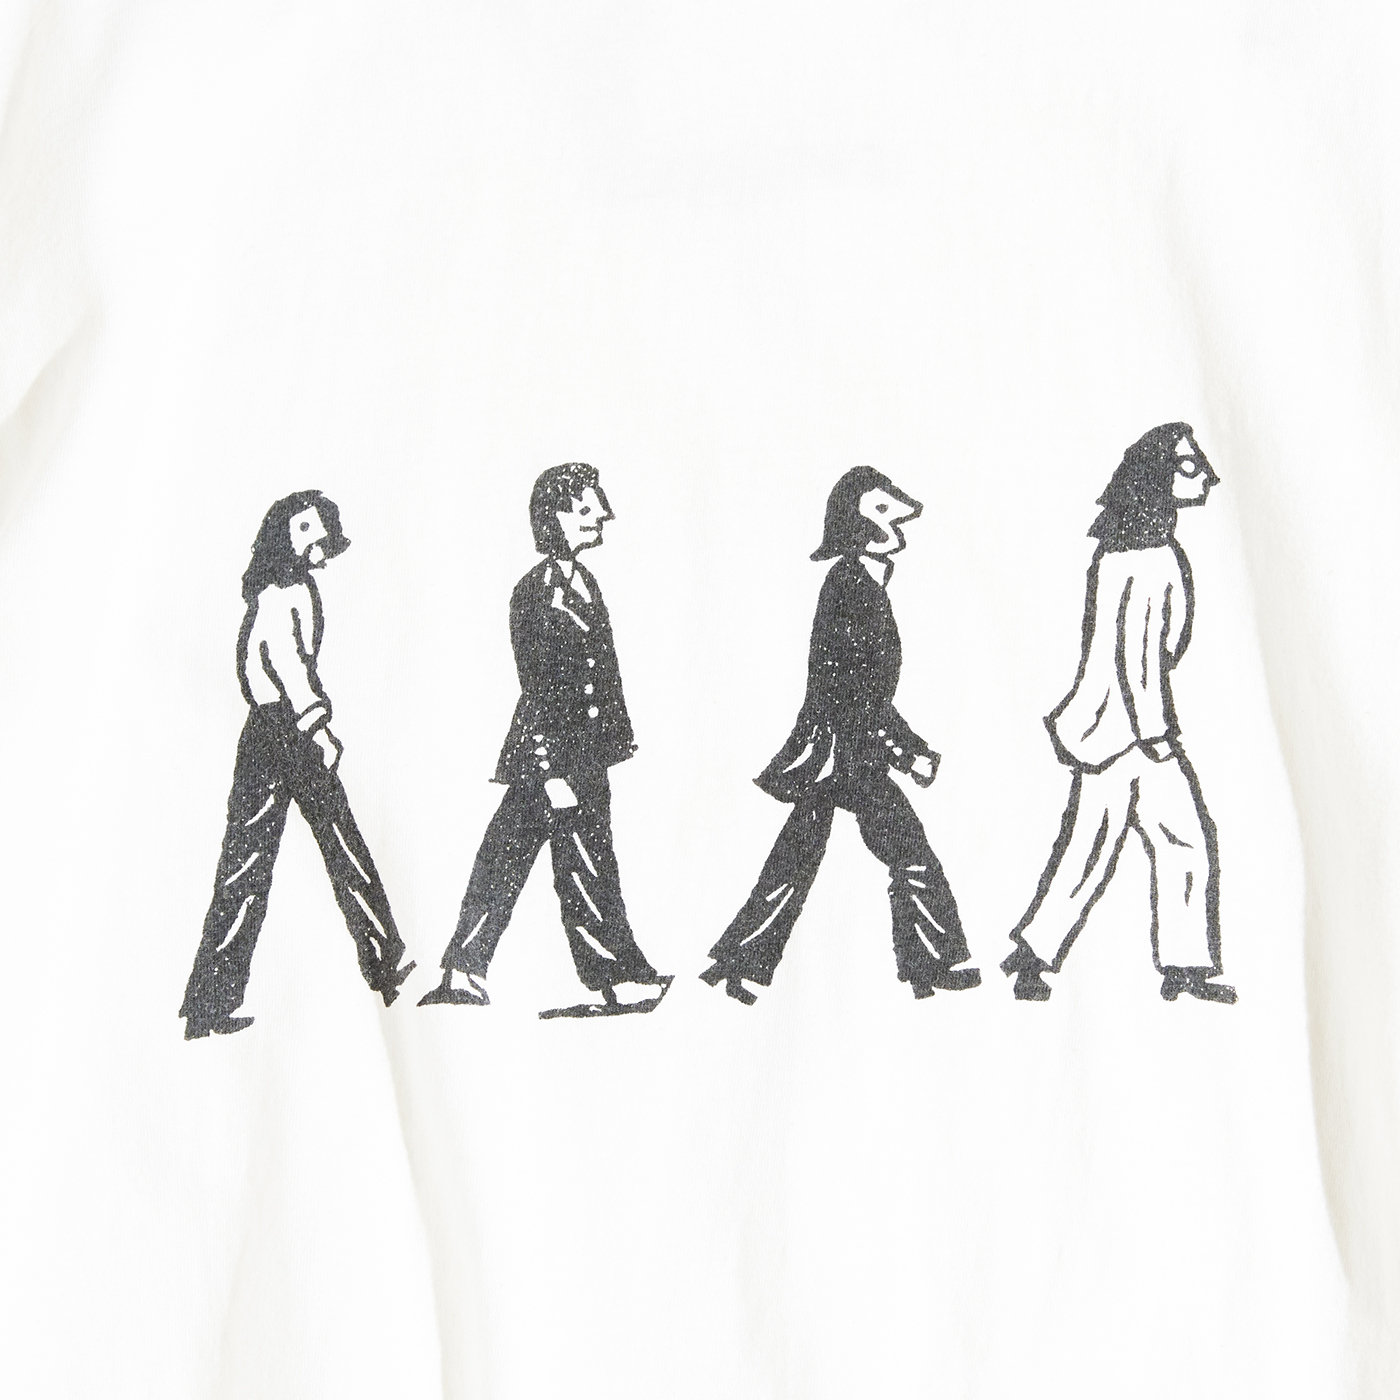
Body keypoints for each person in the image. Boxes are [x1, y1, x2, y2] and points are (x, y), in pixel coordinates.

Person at [701, 466, 980, 1005]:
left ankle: (742, 963)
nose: (897, 522)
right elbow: (854, 691)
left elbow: (861, 692)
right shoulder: (852, 587)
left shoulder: (861, 583)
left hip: (845, 749)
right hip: (844, 753)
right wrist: (908, 753)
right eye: (882, 511)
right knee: (906, 854)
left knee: (799, 861)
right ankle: (932, 963)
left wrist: (901, 748)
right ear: (854, 524)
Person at [420, 463, 672, 1018]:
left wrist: (609, 742)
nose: (602, 516)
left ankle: (464, 969)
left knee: (513, 854)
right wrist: (553, 770)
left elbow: (603, 672)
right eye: (587, 508)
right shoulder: (533, 591)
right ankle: (615, 977)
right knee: (577, 860)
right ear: (554, 516)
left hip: (585, 751)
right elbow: (536, 687)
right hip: (552, 754)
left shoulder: (585, 583)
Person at [1001, 423, 1236, 1003]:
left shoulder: (1120, 553)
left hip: (1110, 730)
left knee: (1115, 845)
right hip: (1127, 735)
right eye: (1189, 465)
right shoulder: (1151, 558)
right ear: (1157, 476)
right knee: (1159, 842)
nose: (1206, 476)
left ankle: (1043, 957)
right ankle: (1171, 966)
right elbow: (1138, 657)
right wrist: (1156, 735)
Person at [180, 491, 414, 1039]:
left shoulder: (296, 588)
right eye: (304, 529)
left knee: (275, 855)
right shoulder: (279, 593)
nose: (317, 539)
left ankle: (213, 1000)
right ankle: (383, 958)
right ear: (281, 536)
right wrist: (317, 725)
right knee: (297, 852)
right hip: (280, 731)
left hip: (275, 731)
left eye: (320, 529)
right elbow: (285, 663)